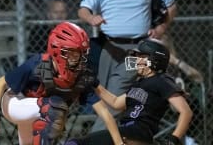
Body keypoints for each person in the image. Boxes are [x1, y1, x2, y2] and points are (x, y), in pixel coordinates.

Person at [0, 22, 125, 145]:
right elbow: (1, 82)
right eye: (74, 53)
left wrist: (119, 143)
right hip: (14, 102)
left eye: (81, 53)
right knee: (54, 107)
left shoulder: (81, 76)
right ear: (58, 51)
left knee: (49, 114)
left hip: (37, 110)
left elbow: (105, 112)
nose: (80, 58)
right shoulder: (38, 64)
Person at [78, 0, 177, 132]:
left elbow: (171, 5)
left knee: (116, 94)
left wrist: (161, 27)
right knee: (103, 97)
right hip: (109, 47)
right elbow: (83, 9)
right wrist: (91, 18)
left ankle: (94, 139)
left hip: (136, 50)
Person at [65, 38, 193, 145]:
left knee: (77, 143)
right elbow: (115, 103)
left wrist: (174, 138)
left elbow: (186, 111)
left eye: (141, 56)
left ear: (154, 60)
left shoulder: (162, 80)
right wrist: (96, 84)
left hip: (139, 131)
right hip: (127, 129)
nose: (136, 60)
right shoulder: (139, 83)